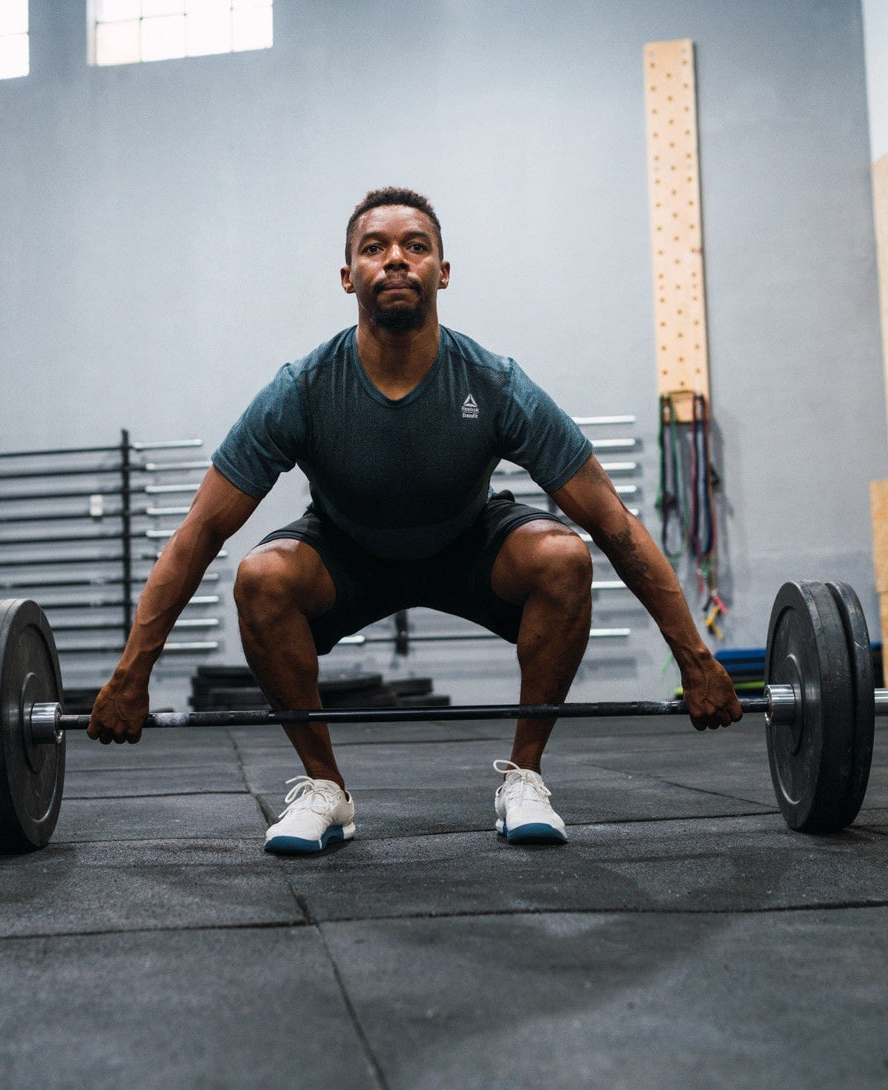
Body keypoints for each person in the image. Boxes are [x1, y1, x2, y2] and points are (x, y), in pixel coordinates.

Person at [89, 186, 741, 854]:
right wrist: (132, 673)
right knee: (261, 577)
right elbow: (199, 533)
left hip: (468, 545)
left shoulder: (494, 383)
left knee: (564, 556)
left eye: (415, 246)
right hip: (348, 554)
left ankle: (525, 777)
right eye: (374, 248)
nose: (395, 259)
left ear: (443, 271)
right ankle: (324, 789)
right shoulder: (303, 388)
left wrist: (695, 658)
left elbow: (615, 524)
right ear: (349, 277)